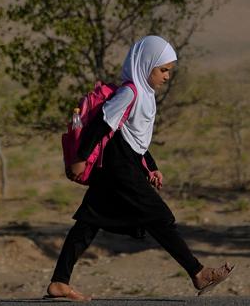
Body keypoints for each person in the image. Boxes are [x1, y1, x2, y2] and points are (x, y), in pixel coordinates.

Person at [45, 36, 235, 301]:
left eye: (169, 70)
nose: (167, 76)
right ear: (146, 65)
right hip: (118, 167)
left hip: (126, 164)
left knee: (88, 223)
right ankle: (198, 272)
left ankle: (59, 282)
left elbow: (137, 140)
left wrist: (151, 167)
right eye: (163, 70)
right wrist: (81, 156)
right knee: (158, 217)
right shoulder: (130, 92)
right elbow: (102, 124)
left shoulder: (145, 95)